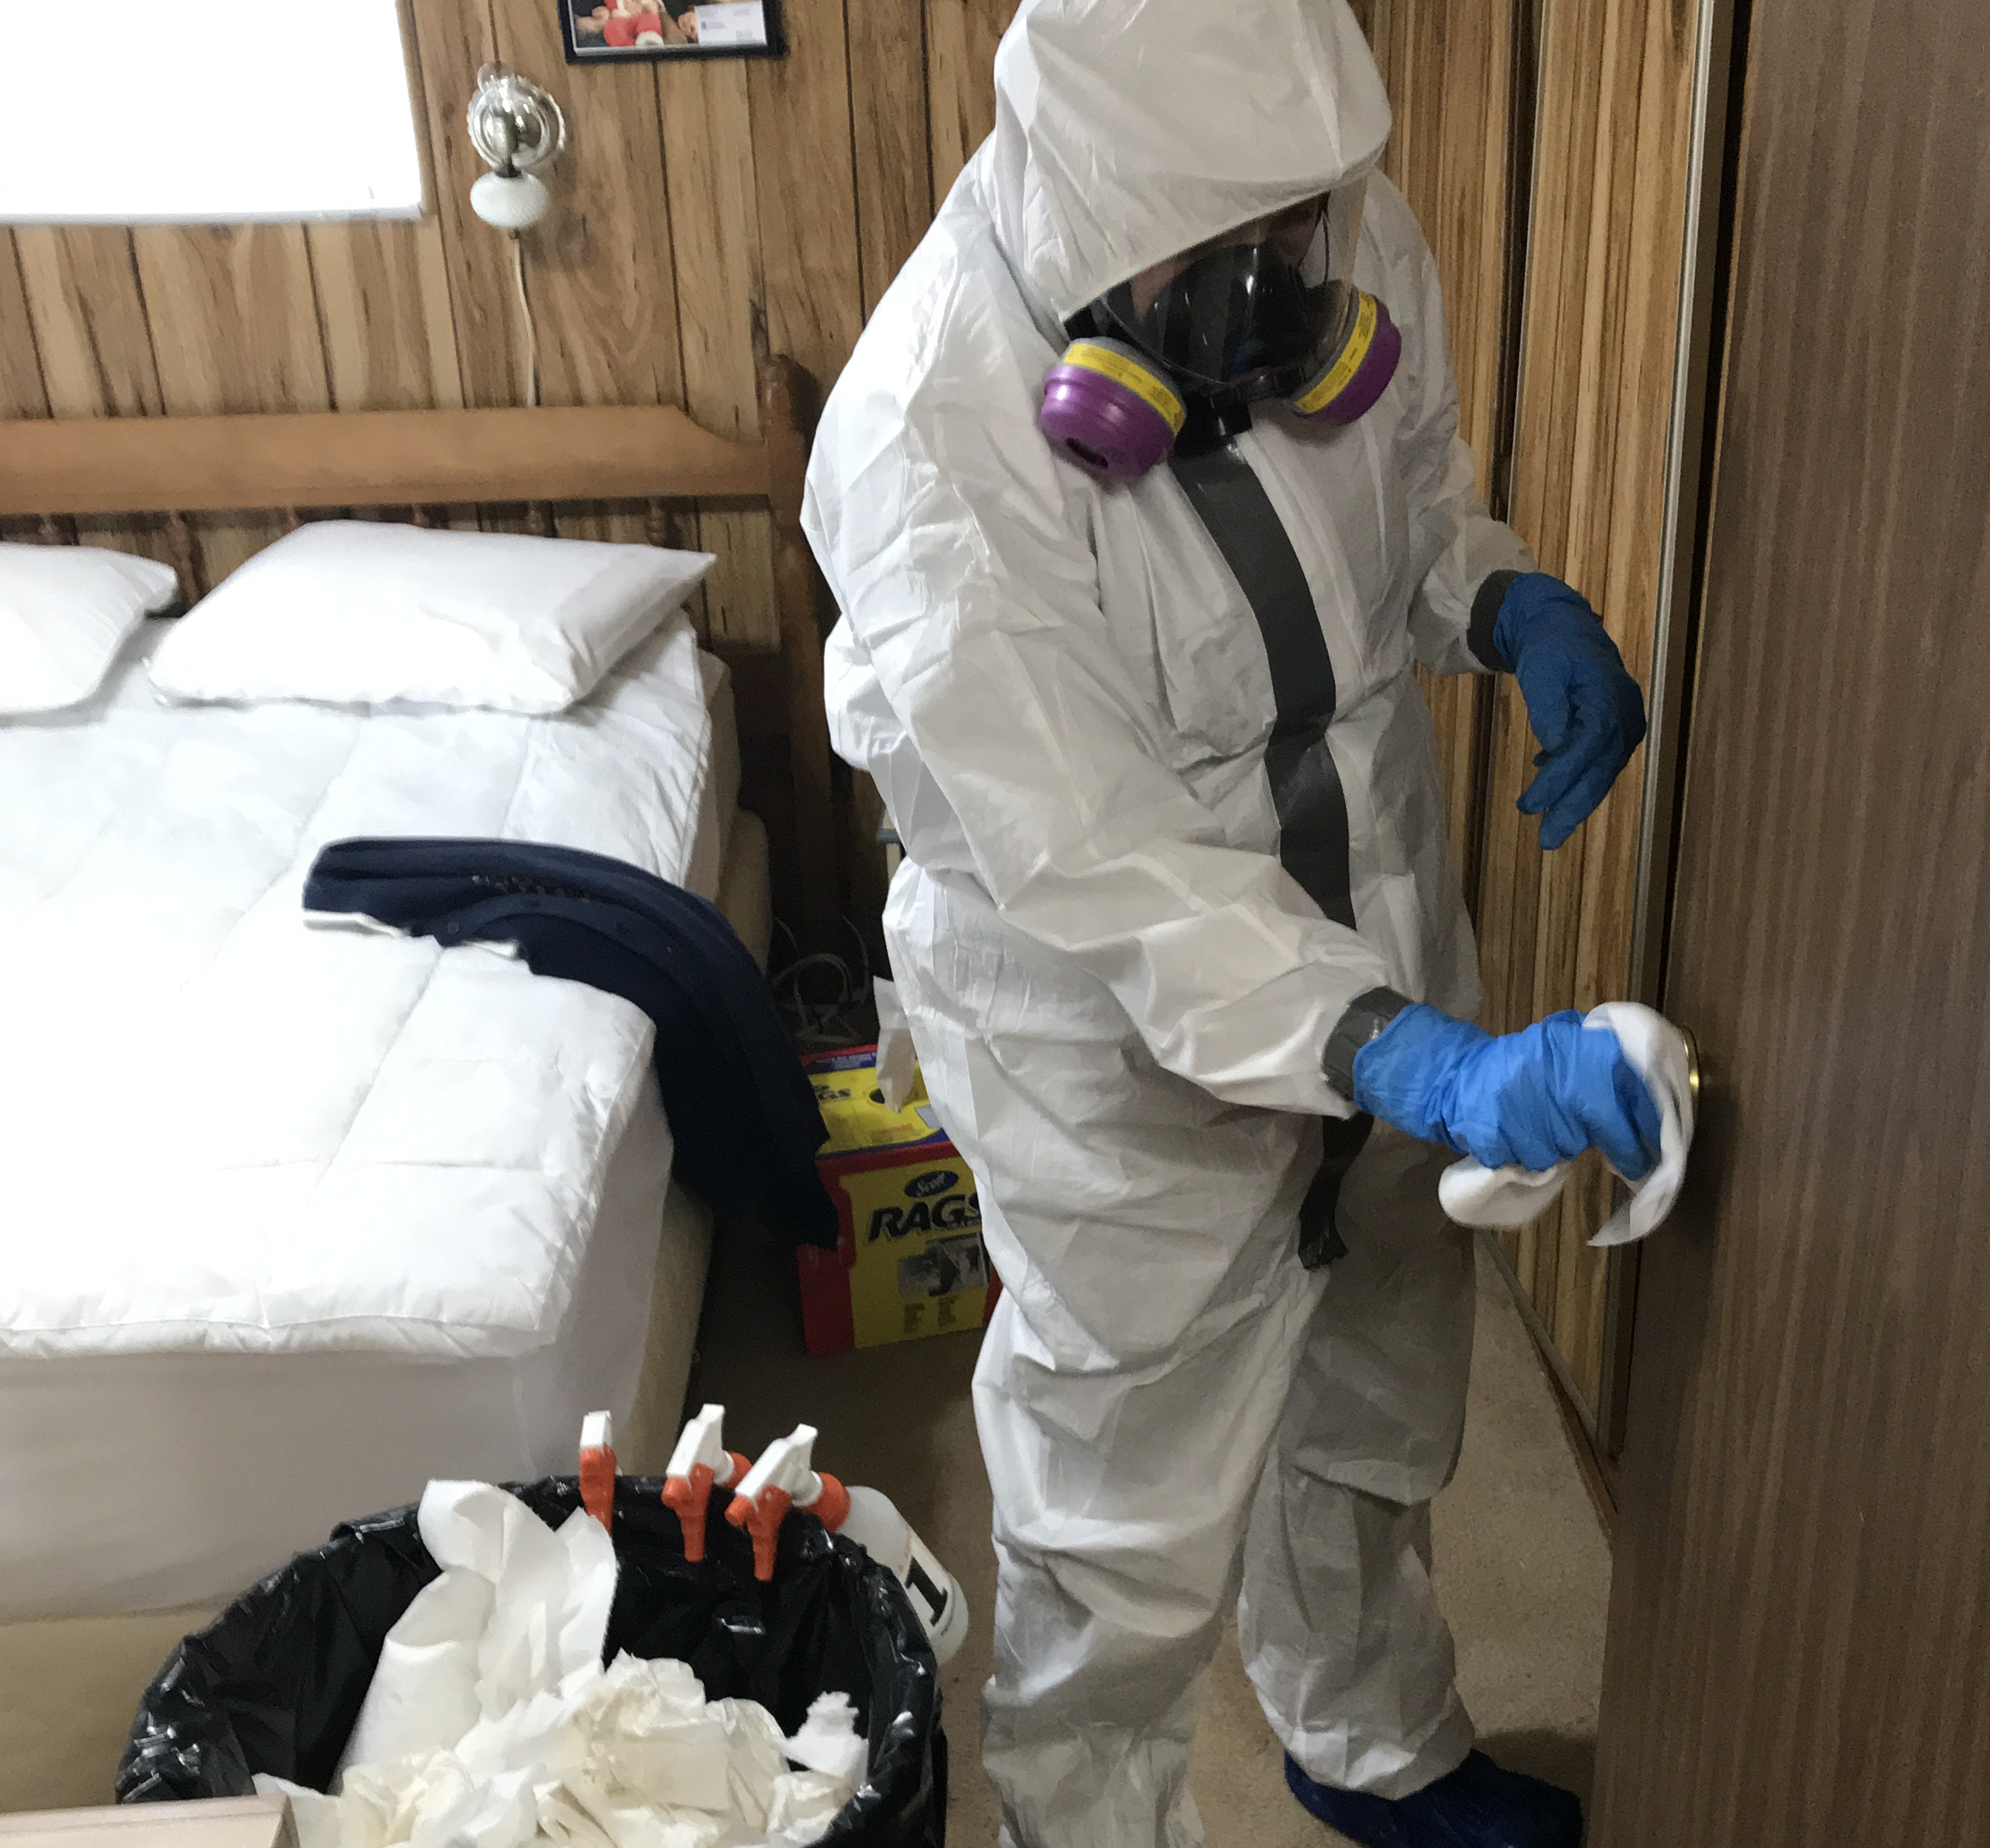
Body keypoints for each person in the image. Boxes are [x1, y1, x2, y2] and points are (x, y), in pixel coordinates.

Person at [802, 2, 1655, 1845]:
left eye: (1300, 233)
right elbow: (1099, 852)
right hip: (1095, 1007)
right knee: (1118, 1494)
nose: (1281, 284)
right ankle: (1083, 1825)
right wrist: (1394, 1049)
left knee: (1379, 1376)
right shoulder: (926, 430)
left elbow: (1406, 496)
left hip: (1372, 881)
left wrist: (1503, 599)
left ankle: (1367, 1737)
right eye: (1223, 250)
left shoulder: (1334, 212)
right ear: (1092, 196)